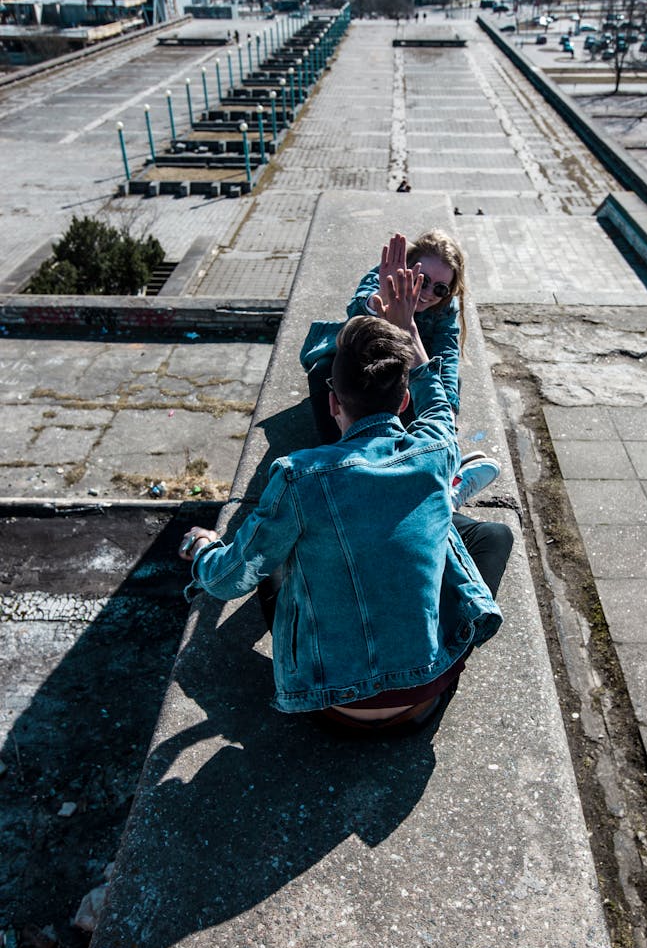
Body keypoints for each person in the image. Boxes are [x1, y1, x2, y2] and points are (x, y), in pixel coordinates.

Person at [180, 266, 513, 733]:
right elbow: (436, 402)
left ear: (333, 403)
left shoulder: (298, 477)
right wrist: (410, 329)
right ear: (402, 403)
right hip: (425, 694)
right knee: (493, 535)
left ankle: (440, 506)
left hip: (331, 706)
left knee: (280, 550)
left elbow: (232, 579)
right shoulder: (437, 449)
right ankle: (443, 503)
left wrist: (201, 550)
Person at [303, 231, 500, 507]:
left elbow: (447, 352)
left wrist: (448, 408)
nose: (429, 293)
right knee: (324, 372)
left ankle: (424, 470)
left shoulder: (444, 308)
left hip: (404, 380)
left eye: (440, 288)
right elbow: (358, 307)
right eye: (423, 280)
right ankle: (337, 454)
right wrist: (382, 299)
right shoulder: (386, 277)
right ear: (408, 269)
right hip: (366, 370)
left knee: (431, 387)